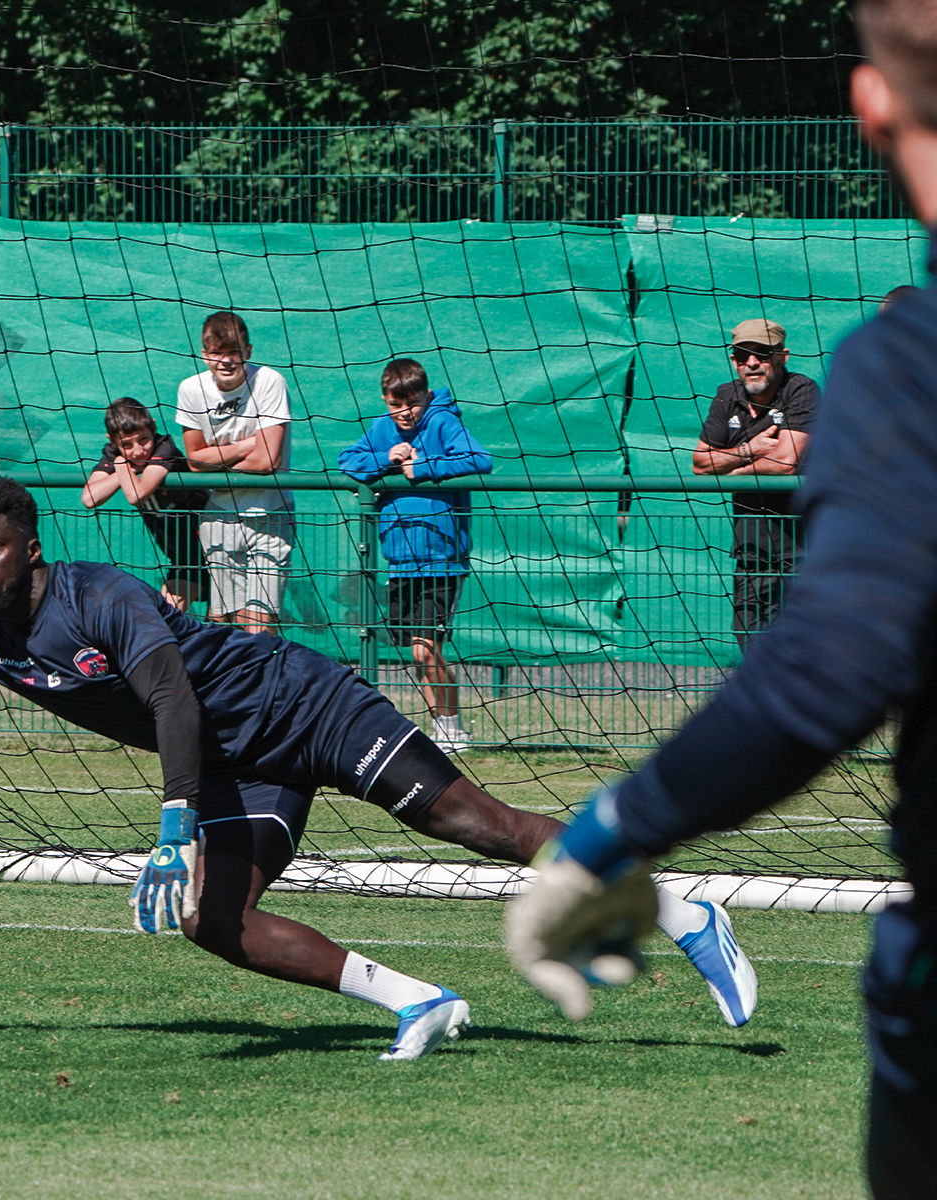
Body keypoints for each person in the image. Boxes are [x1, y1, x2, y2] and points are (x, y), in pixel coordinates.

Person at [0, 477, 757, 1062]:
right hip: (234, 770)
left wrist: (170, 817)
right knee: (217, 921)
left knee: (479, 824)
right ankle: (420, 1002)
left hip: (305, 709)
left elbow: (166, 693)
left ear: (31, 548)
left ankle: (682, 907)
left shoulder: (99, 593)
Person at [504, 2, 937, 1191]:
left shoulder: (903, 365)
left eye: (758, 358)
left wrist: (604, 838)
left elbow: (828, 675)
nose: (749, 371)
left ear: (871, 106)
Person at [339, 359, 492, 756]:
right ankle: (444, 727)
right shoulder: (380, 429)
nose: (405, 412)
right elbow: (347, 461)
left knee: (426, 646)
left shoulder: (443, 423)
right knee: (416, 651)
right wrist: (385, 459)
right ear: (385, 401)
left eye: (413, 402)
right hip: (399, 558)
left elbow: (480, 459)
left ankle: (451, 728)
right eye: (395, 404)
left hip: (443, 558)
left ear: (425, 395)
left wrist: (422, 467)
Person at [690, 318, 818, 650]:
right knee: (746, 636)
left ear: (782, 356)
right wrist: (749, 450)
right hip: (751, 549)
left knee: (798, 645)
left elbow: (785, 463)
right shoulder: (727, 395)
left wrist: (733, 471)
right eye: (741, 355)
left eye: (761, 354)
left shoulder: (801, 390)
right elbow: (701, 463)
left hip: (802, 547)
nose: (751, 363)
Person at [175, 312, 294, 635]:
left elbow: (268, 459)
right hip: (219, 518)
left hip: (270, 513)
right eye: (217, 353)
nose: (225, 361)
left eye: (234, 352)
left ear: (249, 351)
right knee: (229, 624)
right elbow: (195, 462)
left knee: (258, 623)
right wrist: (247, 446)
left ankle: (272, 684)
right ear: (204, 354)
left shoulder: (270, 381)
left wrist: (217, 457)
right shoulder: (190, 389)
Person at [80, 397, 209, 613]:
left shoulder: (163, 447)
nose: (139, 451)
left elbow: (136, 494)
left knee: (233, 624)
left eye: (143, 439)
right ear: (112, 441)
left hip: (214, 549)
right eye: (127, 445)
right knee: (165, 618)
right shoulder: (116, 454)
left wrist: (121, 465)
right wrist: (126, 469)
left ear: (154, 428)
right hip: (184, 558)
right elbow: (89, 498)